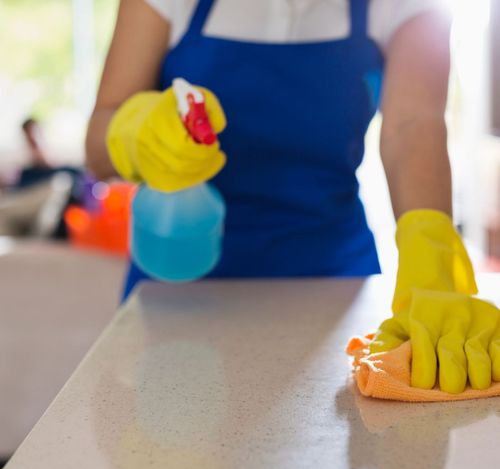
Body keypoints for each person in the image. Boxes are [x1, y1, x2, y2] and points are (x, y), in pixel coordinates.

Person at [86, 0, 500, 394]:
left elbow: (412, 125)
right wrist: (137, 133)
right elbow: (96, 146)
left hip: (333, 283)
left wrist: (431, 249)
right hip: (178, 279)